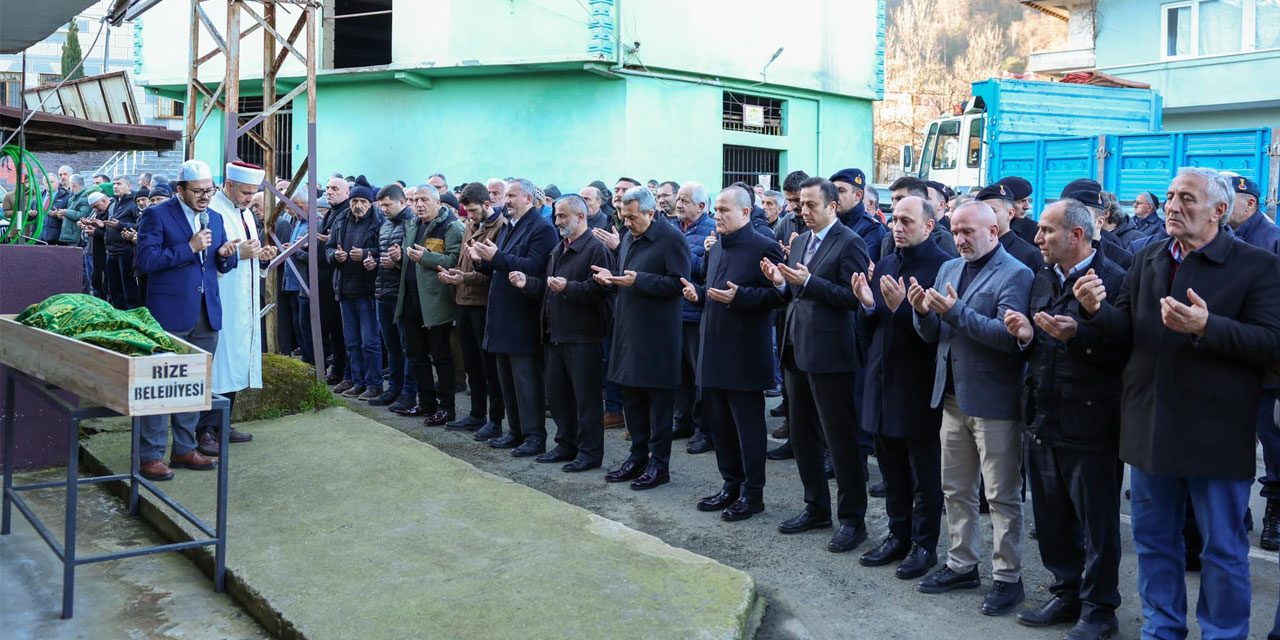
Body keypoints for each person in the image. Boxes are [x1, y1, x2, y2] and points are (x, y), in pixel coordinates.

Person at [1076, 167, 1280, 640]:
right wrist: (1096, 313)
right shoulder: (1147, 257)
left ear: (1219, 211)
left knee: (1222, 550)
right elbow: (1127, 330)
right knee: (1153, 543)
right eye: (1169, 197)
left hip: (1216, 433)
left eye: (1186, 198)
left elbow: (1271, 344)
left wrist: (1208, 327)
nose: (1171, 206)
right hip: (1148, 427)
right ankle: (1161, 630)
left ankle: (1223, 633)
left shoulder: (1257, 266)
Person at [1005, 199, 1125, 639]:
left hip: (1091, 421)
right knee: (1052, 515)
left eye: (1047, 231)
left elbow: (1121, 352)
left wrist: (1081, 334)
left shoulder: (1114, 279)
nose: (1037, 239)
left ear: (1076, 235)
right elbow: (1040, 344)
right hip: (1043, 414)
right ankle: (1066, 591)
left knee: (1097, 523)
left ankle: (1099, 609)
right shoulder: (1043, 277)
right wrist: (1024, 337)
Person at [911, 200, 1034, 617]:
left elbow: (1007, 339)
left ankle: (1007, 578)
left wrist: (956, 311)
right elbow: (935, 335)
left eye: (969, 232)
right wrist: (921, 312)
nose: (960, 239)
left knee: (1001, 496)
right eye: (956, 231)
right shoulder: (948, 269)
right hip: (951, 397)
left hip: (994, 402)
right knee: (956, 489)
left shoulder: (1017, 273)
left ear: (993, 232)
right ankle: (962, 564)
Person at [763, 177, 871, 553]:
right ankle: (815, 507)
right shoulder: (801, 242)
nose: (803, 211)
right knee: (802, 437)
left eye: (811, 205)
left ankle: (853, 519)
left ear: (832, 206)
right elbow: (793, 294)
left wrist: (809, 283)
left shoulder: (850, 243)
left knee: (839, 440)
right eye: (801, 205)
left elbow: (852, 300)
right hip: (795, 349)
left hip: (830, 355)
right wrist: (780, 283)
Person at [851, 195, 950, 580]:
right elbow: (869, 329)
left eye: (907, 221)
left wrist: (903, 309)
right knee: (890, 469)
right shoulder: (887, 263)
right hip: (880, 379)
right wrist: (867, 305)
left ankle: (924, 544)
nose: (897, 227)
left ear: (928, 225)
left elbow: (937, 334)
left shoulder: (944, 267)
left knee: (923, 475)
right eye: (894, 220)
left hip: (918, 384)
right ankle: (898, 534)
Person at [683, 186, 785, 521]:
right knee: (721, 426)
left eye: (725, 210)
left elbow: (779, 297)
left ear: (745, 212)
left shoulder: (764, 246)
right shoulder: (716, 248)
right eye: (716, 210)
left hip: (744, 354)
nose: (718, 216)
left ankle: (752, 494)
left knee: (748, 430)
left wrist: (740, 298)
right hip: (712, 349)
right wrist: (698, 293)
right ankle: (730, 484)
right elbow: (715, 290)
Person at [134, 159, 239, 481]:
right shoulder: (157, 214)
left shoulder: (217, 219)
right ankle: (150, 455)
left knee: (194, 385)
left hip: (207, 314)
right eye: (199, 191)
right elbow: (145, 261)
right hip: (169, 313)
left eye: (210, 190)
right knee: (159, 386)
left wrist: (226, 256)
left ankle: (184, 448)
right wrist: (188, 247)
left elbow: (220, 265)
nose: (206, 196)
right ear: (180, 190)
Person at [509, 194, 614, 472]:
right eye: (556, 216)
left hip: (583, 337)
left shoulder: (595, 249)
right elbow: (548, 288)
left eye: (563, 216)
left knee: (587, 400)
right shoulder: (559, 248)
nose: (558, 221)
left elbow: (602, 290)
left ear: (581, 217)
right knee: (558, 396)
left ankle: (590, 453)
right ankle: (566, 444)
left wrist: (568, 287)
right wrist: (527, 283)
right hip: (555, 335)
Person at [595, 185, 690, 490]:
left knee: (659, 407)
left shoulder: (671, 238)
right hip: (628, 332)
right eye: (623, 216)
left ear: (651, 213)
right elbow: (627, 279)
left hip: (658, 337)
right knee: (632, 402)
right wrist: (610, 279)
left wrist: (641, 280)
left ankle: (659, 465)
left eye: (633, 217)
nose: (626, 222)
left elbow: (679, 284)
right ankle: (637, 457)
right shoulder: (627, 237)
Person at [470, 178, 558, 455]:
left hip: (523, 317)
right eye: (505, 196)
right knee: (507, 380)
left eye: (512, 196)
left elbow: (534, 267)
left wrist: (495, 258)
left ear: (529, 199)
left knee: (526, 382)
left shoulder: (542, 228)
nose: (506, 201)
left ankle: (534, 437)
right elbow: (500, 264)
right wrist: (480, 260)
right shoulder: (511, 226)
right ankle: (516, 431)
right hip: (502, 317)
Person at [198, 161, 278, 455]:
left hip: (242, 299)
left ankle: (223, 423)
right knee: (219, 363)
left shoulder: (244, 214)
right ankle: (204, 430)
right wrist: (240, 255)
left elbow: (248, 253)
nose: (249, 199)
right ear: (228, 186)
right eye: (245, 192)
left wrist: (263, 257)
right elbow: (207, 258)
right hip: (222, 298)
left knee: (235, 361)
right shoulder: (212, 212)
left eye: (253, 193)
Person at [1222, 175, 1280, 552]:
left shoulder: (1272, 241)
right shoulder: (1220, 238)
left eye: (1233, 198)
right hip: (1229, 359)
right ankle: (1236, 510)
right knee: (1229, 440)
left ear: (1251, 204)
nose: (1225, 205)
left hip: (1267, 366)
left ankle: (1274, 511)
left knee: (1272, 444)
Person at [438, 183, 507, 437]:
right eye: (466, 212)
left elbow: (495, 273)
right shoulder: (470, 225)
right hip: (463, 301)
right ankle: (477, 414)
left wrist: (464, 278)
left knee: (489, 367)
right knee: (471, 365)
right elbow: (465, 262)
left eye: (474, 211)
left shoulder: (500, 228)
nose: (470, 216)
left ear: (487, 205)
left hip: (483, 304)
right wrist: (456, 273)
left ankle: (495, 419)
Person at [395, 184, 464, 425]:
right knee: (416, 355)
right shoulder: (413, 224)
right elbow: (409, 261)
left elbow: (455, 260)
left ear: (438, 202)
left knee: (441, 358)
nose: (419, 204)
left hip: (436, 304)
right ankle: (425, 404)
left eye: (424, 199)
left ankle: (447, 409)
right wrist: (397, 259)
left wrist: (426, 257)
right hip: (411, 302)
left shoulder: (451, 226)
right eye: (415, 200)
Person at [671, 181, 717, 455]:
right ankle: (682, 419)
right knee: (680, 374)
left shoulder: (712, 232)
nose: (679, 204)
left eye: (685, 200)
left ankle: (705, 429)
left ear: (701, 206)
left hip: (697, 313)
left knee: (700, 374)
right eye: (678, 198)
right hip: (674, 312)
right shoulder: (673, 229)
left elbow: (705, 272)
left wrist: (680, 256)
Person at [325, 181, 383, 400]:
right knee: (352, 341)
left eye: (363, 201)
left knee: (370, 341)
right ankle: (358, 382)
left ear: (370, 203)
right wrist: (335, 256)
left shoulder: (379, 222)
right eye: (355, 201)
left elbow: (385, 249)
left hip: (367, 290)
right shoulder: (341, 220)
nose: (358, 205)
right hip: (345, 288)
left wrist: (367, 254)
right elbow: (329, 247)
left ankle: (374, 384)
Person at [370, 183, 417, 410]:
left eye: (387, 205)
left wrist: (398, 262)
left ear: (402, 202)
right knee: (392, 346)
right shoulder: (385, 225)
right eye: (381, 206)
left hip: (402, 294)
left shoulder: (412, 223)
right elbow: (382, 254)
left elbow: (415, 259)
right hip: (383, 291)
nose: (383, 210)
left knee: (407, 347)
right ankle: (394, 389)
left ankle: (408, 393)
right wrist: (373, 261)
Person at [319, 177, 350, 387]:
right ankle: (336, 368)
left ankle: (343, 370)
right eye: (328, 188)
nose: (329, 192)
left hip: (339, 278)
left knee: (341, 329)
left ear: (346, 193)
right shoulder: (330, 212)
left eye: (335, 188)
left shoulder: (346, 214)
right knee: (331, 326)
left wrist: (327, 243)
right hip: (325, 277)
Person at [976, 182, 1044, 272]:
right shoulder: (973, 248)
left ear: (1010, 213)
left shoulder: (1030, 255)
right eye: (981, 211)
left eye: (992, 211)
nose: (985, 216)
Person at [885, 176, 958, 257]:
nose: (893, 206)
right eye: (892, 200)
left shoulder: (943, 238)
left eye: (900, 199)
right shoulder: (889, 237)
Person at [103, 176, 141, 309]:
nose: (115, 186)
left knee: (128, 288)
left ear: (129, 186)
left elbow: (139, 225)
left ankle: (132, 316)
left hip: (125, 252)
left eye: (119, 184)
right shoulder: (113, 203)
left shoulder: (134, 203)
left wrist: (120, 225)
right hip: (111, 251)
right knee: (114, 289)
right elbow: (110, 224)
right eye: (114, 184)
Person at [997, 176, 1039, 244]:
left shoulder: (1033, 230)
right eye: (1022, 201)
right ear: (1005, 202)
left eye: (1028, 200)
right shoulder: (986, 226)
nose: (1027, 207)